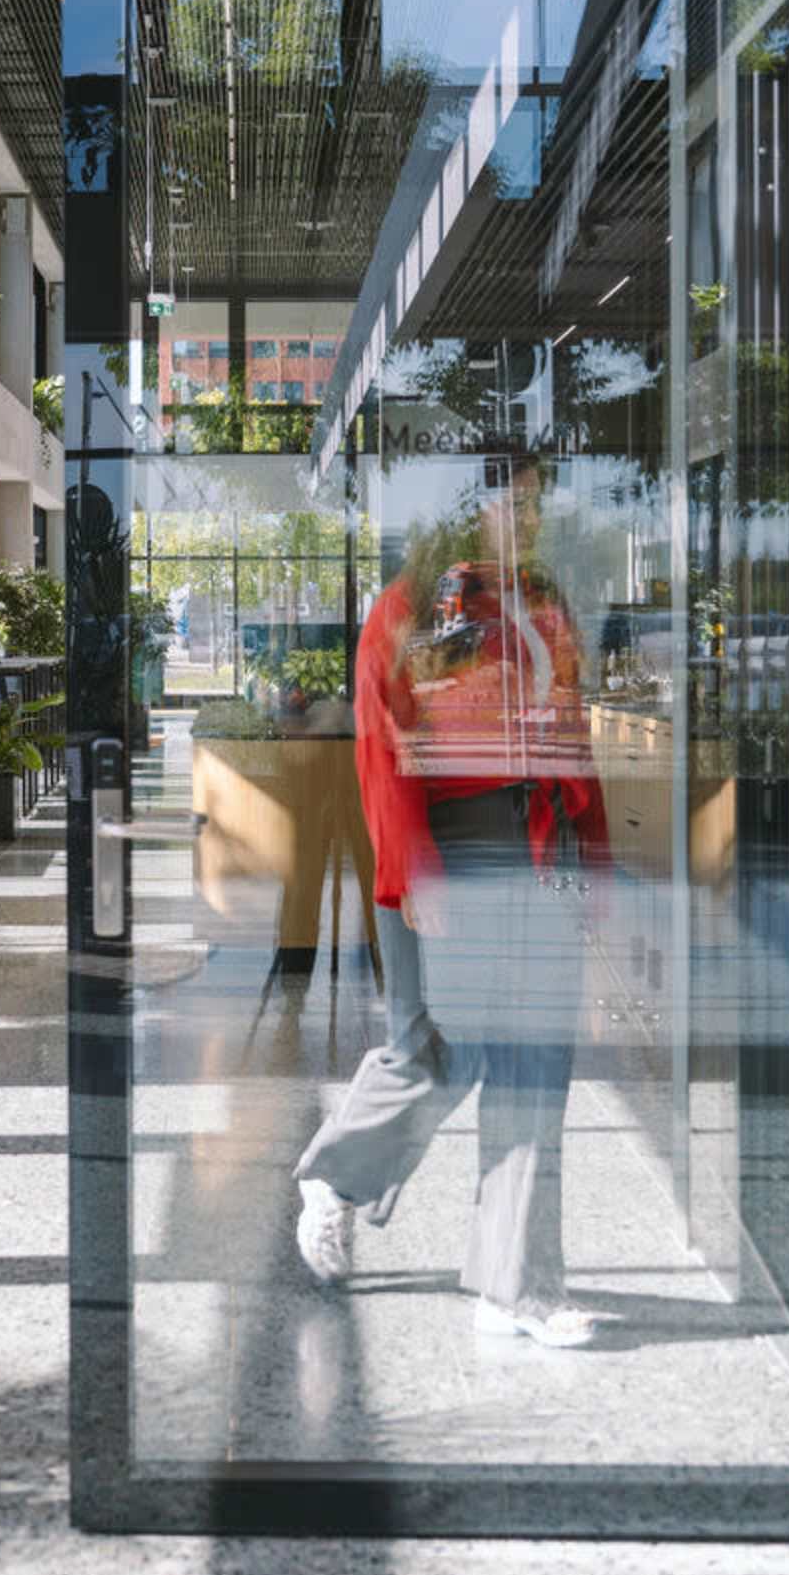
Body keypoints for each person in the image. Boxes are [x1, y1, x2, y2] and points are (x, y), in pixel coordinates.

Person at [286, 474, 609, 1347]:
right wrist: (414, 871)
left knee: (537, 1064)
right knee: (441, 1049)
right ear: (471, 507)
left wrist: (597, 866)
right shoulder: (409, 611)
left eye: (539, 502)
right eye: (517, 502)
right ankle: (338, 1178)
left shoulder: (546, 609)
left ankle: (522, 1282)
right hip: (449, 842)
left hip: (544, 838)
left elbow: (570, 735)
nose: (534, 518)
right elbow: (382, 751)